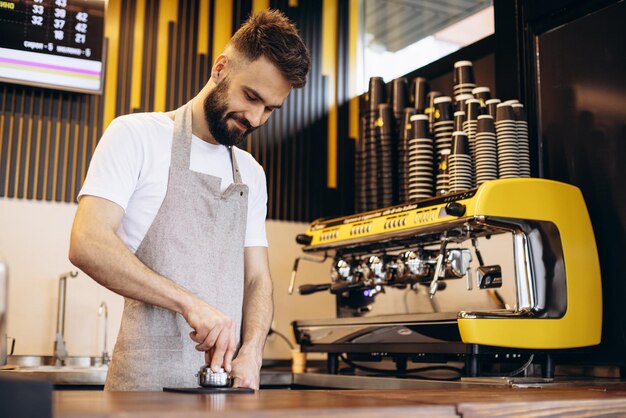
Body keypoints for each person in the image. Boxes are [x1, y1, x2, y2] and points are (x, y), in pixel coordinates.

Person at [68, 9, 311, 391]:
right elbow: (87, 243)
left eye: (270, 109)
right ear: (220, 69)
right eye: (251, 97)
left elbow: (257, 278)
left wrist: (253, 350)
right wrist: (190, 304)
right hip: (141, 392)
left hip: (222, 393)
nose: (256, 118)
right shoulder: (136, 136)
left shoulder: (251, 174)